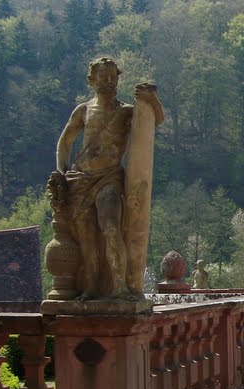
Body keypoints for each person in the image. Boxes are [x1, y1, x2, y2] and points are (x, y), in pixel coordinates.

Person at [49, 57, 163, 299]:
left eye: (112, 77)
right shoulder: (83, 110)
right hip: (80, 178)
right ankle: (90, 287)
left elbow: (155, 120)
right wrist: (61, 171)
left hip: (109, 178)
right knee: (87, 237)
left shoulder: (125, 111)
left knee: (110, 227)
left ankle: (120, 287)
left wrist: (152, 100)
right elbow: (65, 141)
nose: (108, 81)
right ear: (92, 80)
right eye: (103, 76)